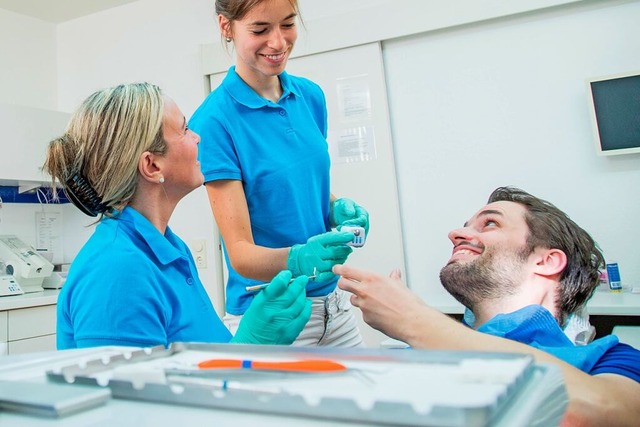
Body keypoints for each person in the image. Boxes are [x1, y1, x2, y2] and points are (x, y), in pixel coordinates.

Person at [335, 186, 640, 426]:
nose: (456, 234)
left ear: (546, 260)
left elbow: (592, 414)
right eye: (466, 226)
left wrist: (416, 321)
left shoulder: (613, 361)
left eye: (490, 223)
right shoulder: (407, 360)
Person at [44, 82, 312, 349]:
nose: (197, 137)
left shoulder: (170, 249)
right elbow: (136, 391)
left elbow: (191, 364)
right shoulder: (118, 271)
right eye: (184, 130)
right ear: (152, 165)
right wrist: (251, 344)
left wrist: (243, 347)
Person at [188, 0, 369, 347]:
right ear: (226, 27)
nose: (278, 42)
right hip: (273, 312)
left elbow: (294, 184)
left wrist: (336, 207)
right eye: (260, 30)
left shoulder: (310, 96)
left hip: (335, 306)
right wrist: (299, 258)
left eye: (287, 24)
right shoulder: (213, 122)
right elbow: (240, 254)